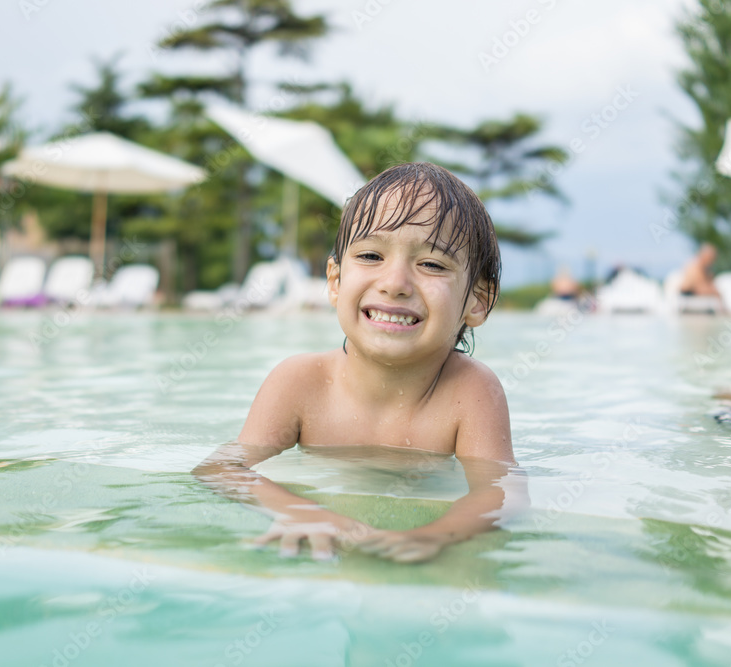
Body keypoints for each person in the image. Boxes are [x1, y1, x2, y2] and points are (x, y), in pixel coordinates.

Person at [192, 162, 520, 563]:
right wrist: (299, 510)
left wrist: (437, 536)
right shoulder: (300, 382)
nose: (394, 283)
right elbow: (221, 470)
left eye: (432, 264)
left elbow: (502, 493)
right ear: (335, 281)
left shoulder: (470, 392)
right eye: (370, 255)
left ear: (478, 301)